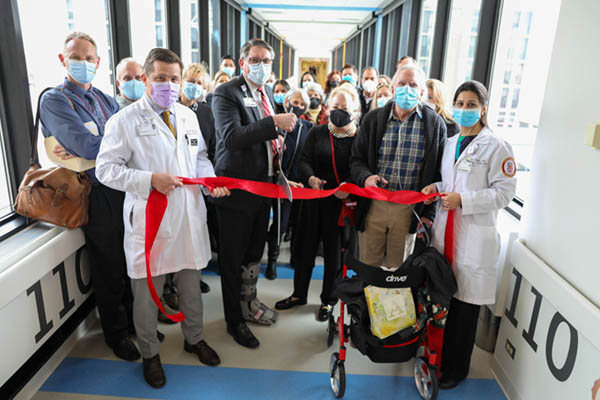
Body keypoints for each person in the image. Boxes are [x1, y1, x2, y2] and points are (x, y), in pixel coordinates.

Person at [96, 48, 229, 388]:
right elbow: (105, 171)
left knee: (191, 287)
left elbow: (199, 157)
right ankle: (150, 353)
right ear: (145, 80)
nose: (168, 85)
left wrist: (209, 182)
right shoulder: (123, 121)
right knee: (146, 294)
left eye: (174, 79)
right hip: (150, 220)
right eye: (160, 79)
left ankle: (194, 338)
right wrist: (148, 180)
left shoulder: (187, 116)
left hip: (187, 215)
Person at [39, 32, 138, 361]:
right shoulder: (55, 101)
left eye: (89, 58)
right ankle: (116, 333)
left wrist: (107, 146)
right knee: (108, 265)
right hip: (94, 193)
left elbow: (121, 142)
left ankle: (135, 322)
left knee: (127, 260)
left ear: (98, 62)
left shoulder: (105, 99)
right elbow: (85, 146)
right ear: (62, 60)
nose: (83, 63)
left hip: (121, 187)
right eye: (75, 57)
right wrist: (110, 146)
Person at [421, 80, 516, 390]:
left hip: (474, 238)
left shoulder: (497, 146)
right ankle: (438, 355)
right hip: (446, 233)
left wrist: (464, 201)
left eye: (471, 104)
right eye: (460, 103)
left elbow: (504, 194)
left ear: (483, 108)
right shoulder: (451, 143)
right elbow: (451, 183)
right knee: (443, 300)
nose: (463, 110)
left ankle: (456, 369)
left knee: (464, 308)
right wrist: (437, 189)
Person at [211, 38, 298, 348]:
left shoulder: (265, 94)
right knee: (232, 260)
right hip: (235, 193)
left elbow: (264, 140)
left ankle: (250, 303)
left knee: (253, 255)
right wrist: (273, 123)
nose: (262, 66)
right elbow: (232, 136)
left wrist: (278, 154)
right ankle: (234, 320)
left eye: (267, 61)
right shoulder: (227, 92)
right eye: (256, 60)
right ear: (243, 61)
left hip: (264, 191)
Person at [275, 86, 359, 321]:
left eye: (344, 108)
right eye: (335, 107)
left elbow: (361, 168)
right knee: (304, 250)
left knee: (334, 255)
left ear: (355, 110)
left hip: (340, 205)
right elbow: (304, 160)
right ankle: (298, 294)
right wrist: (310, 177)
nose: (339, 112)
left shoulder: (359, 138)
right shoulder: (318, 132)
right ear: (327, 108)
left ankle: (328, 301)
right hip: (313, 201)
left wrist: (349, 186)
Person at [350, 64, 446, 268]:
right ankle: (367, 300)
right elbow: (356, 160)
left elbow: (440, 172)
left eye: (413, 85)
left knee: (398, 271)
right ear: (393, 89)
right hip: (374, 205)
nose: (407, 89)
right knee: (369, 267)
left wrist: (429, 214)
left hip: (409, 209)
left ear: (421, 92)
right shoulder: (373, 120)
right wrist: (366, 177)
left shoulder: (435, 125)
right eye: (401, 84)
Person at [265, 88, 314, 279]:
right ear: (286, 102)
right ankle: (272, 261)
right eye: (295, 102)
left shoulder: (308, 128)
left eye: (302, 104)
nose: (298, 107)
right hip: (278, 183)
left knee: (298, 225)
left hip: (300, 185)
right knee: (280, 225)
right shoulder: (276, 125)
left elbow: (308, 157)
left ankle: (296, 258)